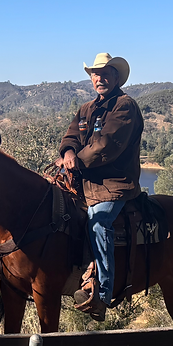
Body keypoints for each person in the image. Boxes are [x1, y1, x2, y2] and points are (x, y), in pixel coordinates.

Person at [58, 53, 143, 321]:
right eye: (95, 73)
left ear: (116, 77)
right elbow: (70, 135)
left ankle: (102, 294)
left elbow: (108, 144)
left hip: (114, 184)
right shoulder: (85, 108)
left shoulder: (124, 106)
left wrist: (77, 162)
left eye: (105, 73)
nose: (99, 78)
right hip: (83, 182)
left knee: (98, 221)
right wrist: (69, 152)